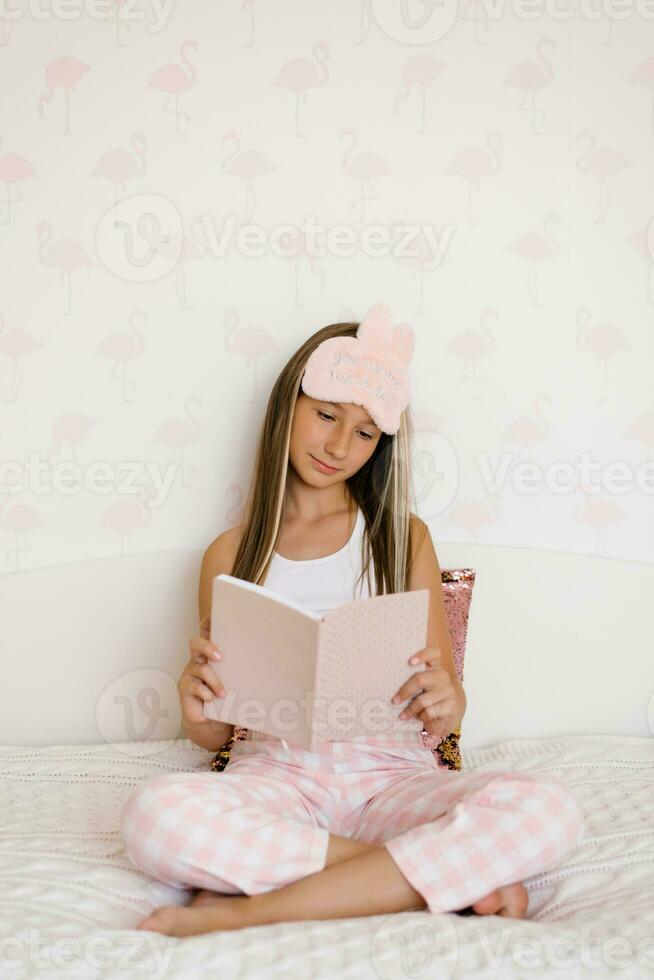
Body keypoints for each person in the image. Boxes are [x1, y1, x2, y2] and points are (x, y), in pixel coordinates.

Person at [120, 303, 584, 938]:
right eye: (327, 416)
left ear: (382, 445)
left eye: (365, 434)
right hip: (277, 772)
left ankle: (255, 911)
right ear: (290, 406)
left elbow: (449, 708)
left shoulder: (401, 538)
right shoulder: (231, 553)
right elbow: (216, 732)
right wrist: (197, 709)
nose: (340, 446)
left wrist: (445, 700)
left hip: (390, 775)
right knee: (154, 816)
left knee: (549, 809)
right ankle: (427, 877)